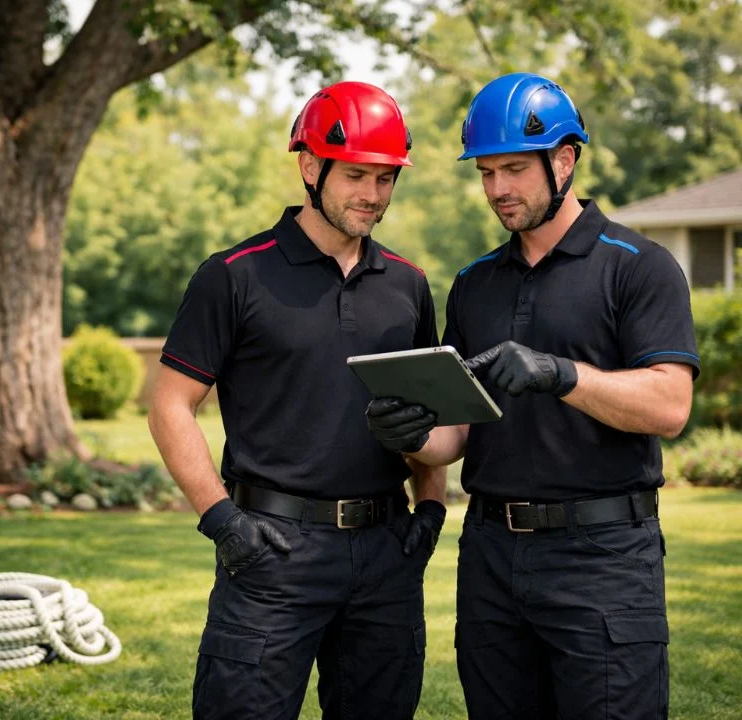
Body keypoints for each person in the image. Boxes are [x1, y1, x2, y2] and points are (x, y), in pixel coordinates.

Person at [365, 73, 699, 720]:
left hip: (603, 558)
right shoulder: (474, 285)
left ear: (564, 160)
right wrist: (411, 435)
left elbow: (669, 405)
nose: (497, 189)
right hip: (490, 559)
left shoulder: (638, 265)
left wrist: (561, 374)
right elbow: (456, 433)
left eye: (514, 169)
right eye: (486, 172)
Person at [148, 81, 447, 720]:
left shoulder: (409, 285)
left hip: (387, 553)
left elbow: (426, 407)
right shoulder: (235, 275)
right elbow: (170, 405)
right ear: (311, 167)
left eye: (386, 178)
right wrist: (223, 523)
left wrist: (429, 511)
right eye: (356, 176)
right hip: (269, 551)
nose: (373, 195)